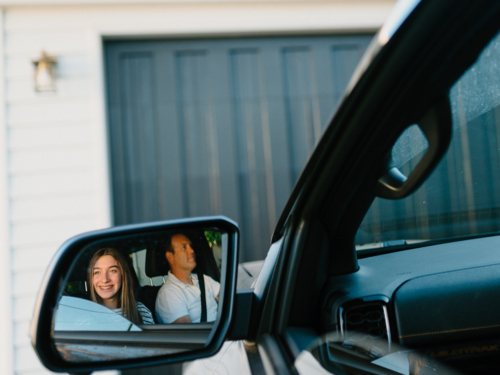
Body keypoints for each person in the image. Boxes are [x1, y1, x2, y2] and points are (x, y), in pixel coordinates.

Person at [155, 233, 220, 324]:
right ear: (170, 256)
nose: (192, 250)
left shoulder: (203, 279)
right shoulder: (168, 294)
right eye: (184, 247)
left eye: (190, 246)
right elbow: (190, 334)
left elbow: (227, 299)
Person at [88, 247, 155, 325]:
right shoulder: (86, 321)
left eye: (112, 271)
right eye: (97, 272)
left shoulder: (141, 311)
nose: (105, 279)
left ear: (122, 275)